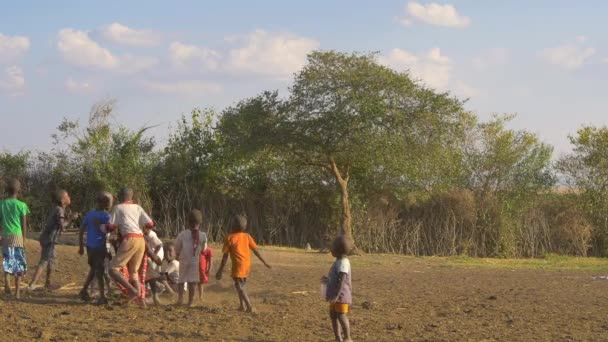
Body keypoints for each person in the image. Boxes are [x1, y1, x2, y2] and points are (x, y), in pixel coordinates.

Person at [107, 187, 154, 305]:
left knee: (113, 269)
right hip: (141, 240)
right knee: (134, 272)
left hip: (129, 238)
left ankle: (132, 291)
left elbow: (111, 226)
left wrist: (104, 227)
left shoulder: (118, 208)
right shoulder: (138, 207)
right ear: (132, 197)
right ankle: (141, 301)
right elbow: (150, 223)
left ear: (120, 196)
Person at [216, 214, 271, 313]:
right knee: (242, 285)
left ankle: (249, 306)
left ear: (232, 225)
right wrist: (264, 262)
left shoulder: (230, 238)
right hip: (246, 265)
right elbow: (256, 250)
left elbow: (225, 256)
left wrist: (220, 270)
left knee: (239, 286)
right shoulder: (247, 236)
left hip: (238, 265)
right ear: (245, 227)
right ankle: (242, 305)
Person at [29, 189, 78, 290]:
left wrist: (67, 218)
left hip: (49, 239)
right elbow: (62, 226)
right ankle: (32, 284)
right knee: (45, 260)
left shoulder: (57, 209)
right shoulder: (59, 210)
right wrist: (71, 219)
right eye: (67, 196)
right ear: (62, 200)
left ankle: (48, 283)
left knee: (51, 260)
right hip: (50, 239)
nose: (69, 198)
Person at [77, 191, 113, 304]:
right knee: (100, 272)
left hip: (90, 247)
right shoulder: (107, 216)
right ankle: (102, 296)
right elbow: (108, 232)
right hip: (100, 247)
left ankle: (83, 290)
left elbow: (81, 230)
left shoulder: (90, 214)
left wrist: (81, 246)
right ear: (106, 203)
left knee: (94, 269)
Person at [0, 179, 30, 299]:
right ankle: (17, 292)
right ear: (19, 190)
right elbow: (24, 224)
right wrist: (25, 239)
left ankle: (7, 282)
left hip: (6, 235)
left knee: (7, 259)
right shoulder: (22, 205)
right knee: (19, 264)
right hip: (17, 236)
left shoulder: (1, 204)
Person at [321, 235, 353, 342]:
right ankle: (338, 337)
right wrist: (328, 279)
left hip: (341, 296)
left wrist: (337, 295)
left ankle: (347, 337)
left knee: (341, 315)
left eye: (333, 247)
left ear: (338, 250)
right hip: (335, 295)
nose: (331, 249)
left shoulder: (343, 262)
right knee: (333, 315)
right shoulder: (339, 261)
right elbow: (337, 278)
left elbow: (342, 281)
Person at [174, 209, 207, 306]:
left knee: (181, 279)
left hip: (183, 259)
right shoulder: (203, 235)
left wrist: (177, 254)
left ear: (188, 222)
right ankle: (191, 301)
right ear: (200, 222)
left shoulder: (183, 234)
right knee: (192, 281)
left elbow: (177, 246)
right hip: (195, 260)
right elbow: (204, 249)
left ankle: (180, 299)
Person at [143, 224, 163, 305]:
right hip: (146, 256)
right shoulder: (142, 235)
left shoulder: (151, 235)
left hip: (150, 256)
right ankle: (146, 296)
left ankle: (154, 295)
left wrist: (153, 256)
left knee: (151, 275)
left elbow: (158, 245)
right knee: (145, 277)